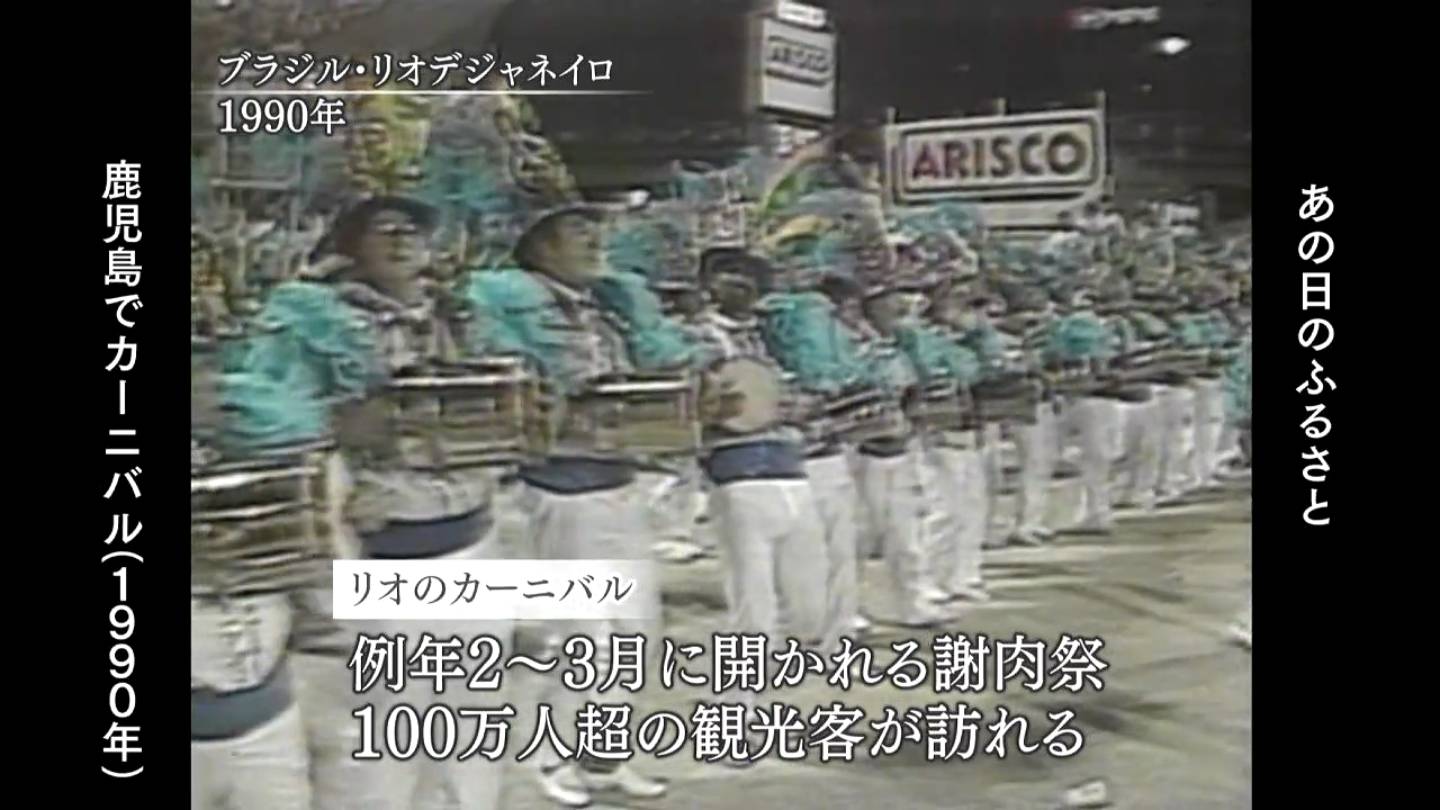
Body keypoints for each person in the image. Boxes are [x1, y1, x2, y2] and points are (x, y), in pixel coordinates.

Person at [462, 206, 670, 806]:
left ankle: (604, 759)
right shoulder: (506, 306)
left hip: (620, 482)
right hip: (559, 490)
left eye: (596, 229)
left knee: (634, 635)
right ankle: (547, 758)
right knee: (579, 638)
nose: (594, 240)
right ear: (538, 246)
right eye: (577, 230)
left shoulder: (606, 307)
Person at [315, 195, 514, 810]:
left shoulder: (462, 317)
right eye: (385, 231)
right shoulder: (321, 323)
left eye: (414, 231)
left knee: (473, 713)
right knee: (390, 724)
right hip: (385, 551)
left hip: (472, 538)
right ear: (354, 246)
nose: (402, 241)